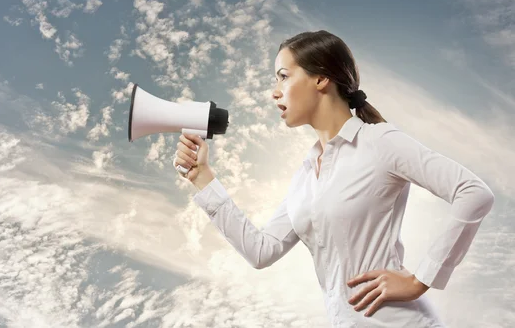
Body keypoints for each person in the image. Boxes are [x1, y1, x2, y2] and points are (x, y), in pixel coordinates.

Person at [172, 30, 495, 327]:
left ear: (321, 79)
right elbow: (261, 251)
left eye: (284, 76)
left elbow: (473, 193)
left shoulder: (379, 142)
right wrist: (204, 179)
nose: (274, 92)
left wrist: (418, 280)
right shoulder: (305, 176)